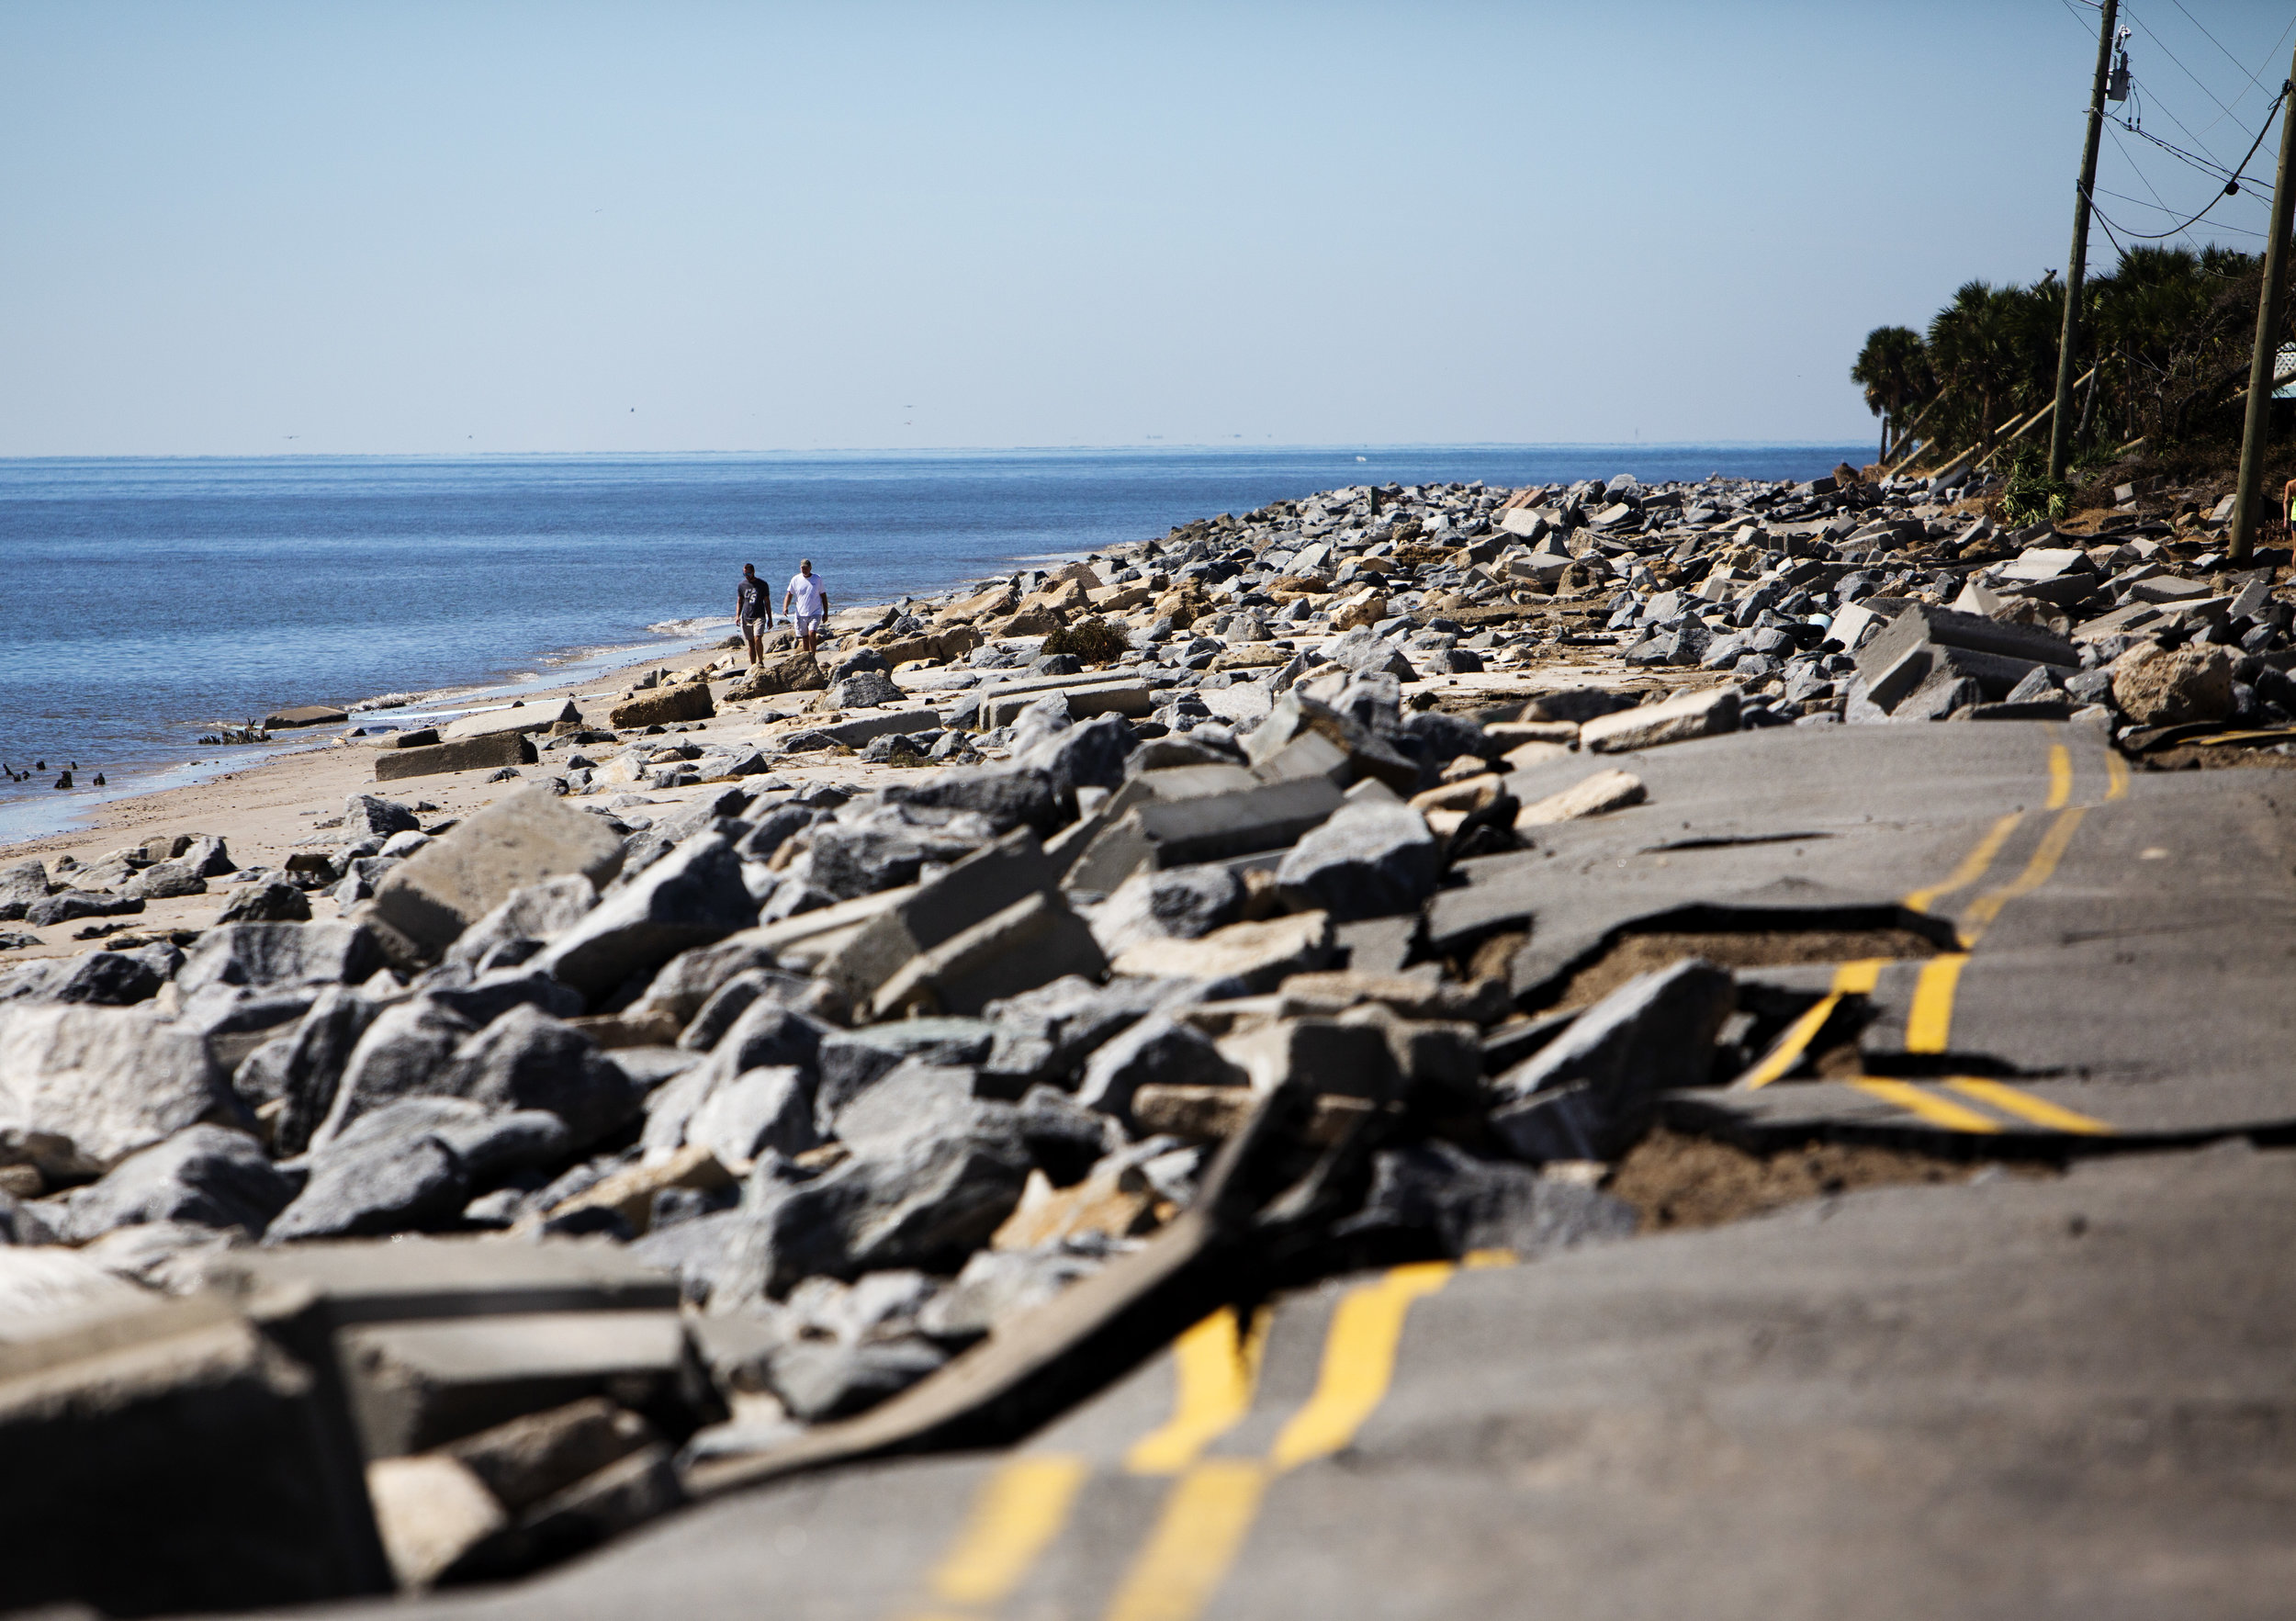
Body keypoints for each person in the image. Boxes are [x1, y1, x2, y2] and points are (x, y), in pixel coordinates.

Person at [783, 557, 830, 657]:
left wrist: (825, 613)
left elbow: (823, 596)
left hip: (815, 612)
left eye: (806, 568)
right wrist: (785, 607)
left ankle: (813, 656)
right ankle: (806, 657)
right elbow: (789, 594)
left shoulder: (817, 579)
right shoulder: (795, 579)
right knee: (804, 637)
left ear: (810, 568)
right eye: (802, 568)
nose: (804, 570)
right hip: (801, 613)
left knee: (812, 632)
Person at [736, 563, 772, 665]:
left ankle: (760, 662)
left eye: (748, 573)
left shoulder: (762, 584)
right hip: (746, 617)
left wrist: (770, 619)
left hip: (759, 616)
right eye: (745, 574)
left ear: (753, 572)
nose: (747, 575)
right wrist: (737, 616)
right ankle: (753, 665)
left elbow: (767, 602)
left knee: (758, 638)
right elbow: (739, 602)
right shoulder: (741, 585)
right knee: (750, 642)